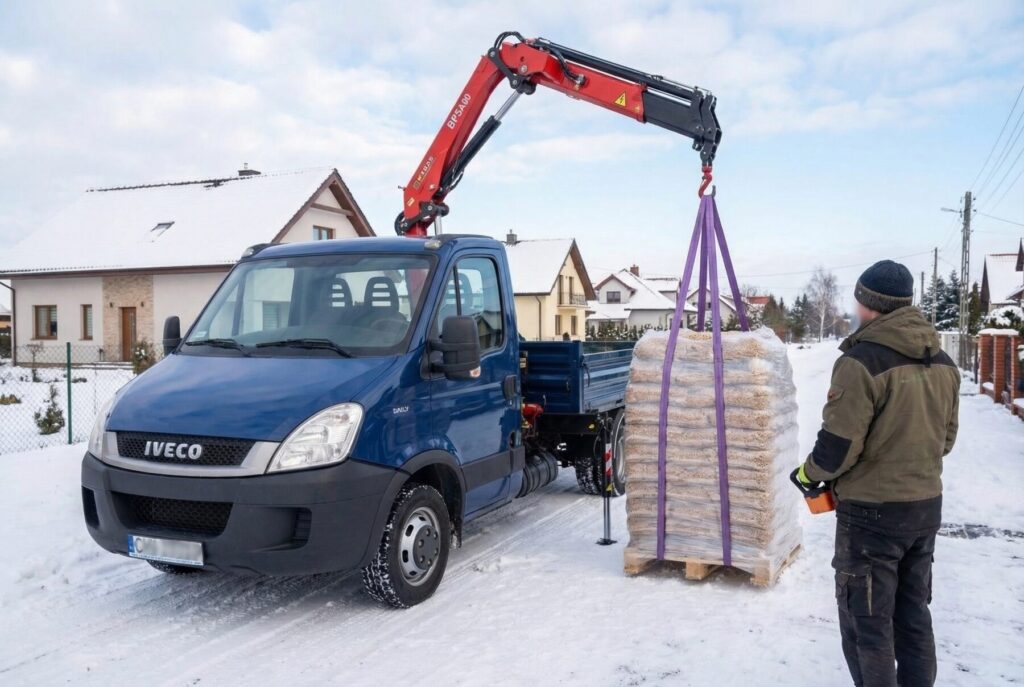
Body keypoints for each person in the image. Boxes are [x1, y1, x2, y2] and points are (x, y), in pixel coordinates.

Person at [795, 260, 960, 687]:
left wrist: (810, 473)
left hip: (872, 518)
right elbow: (946, 439)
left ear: (869, 304)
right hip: (924, 510)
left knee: (867, 623)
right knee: (913, 617)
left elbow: (838, 446)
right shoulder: (942, 361)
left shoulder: (861, 361)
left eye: (858, 299)